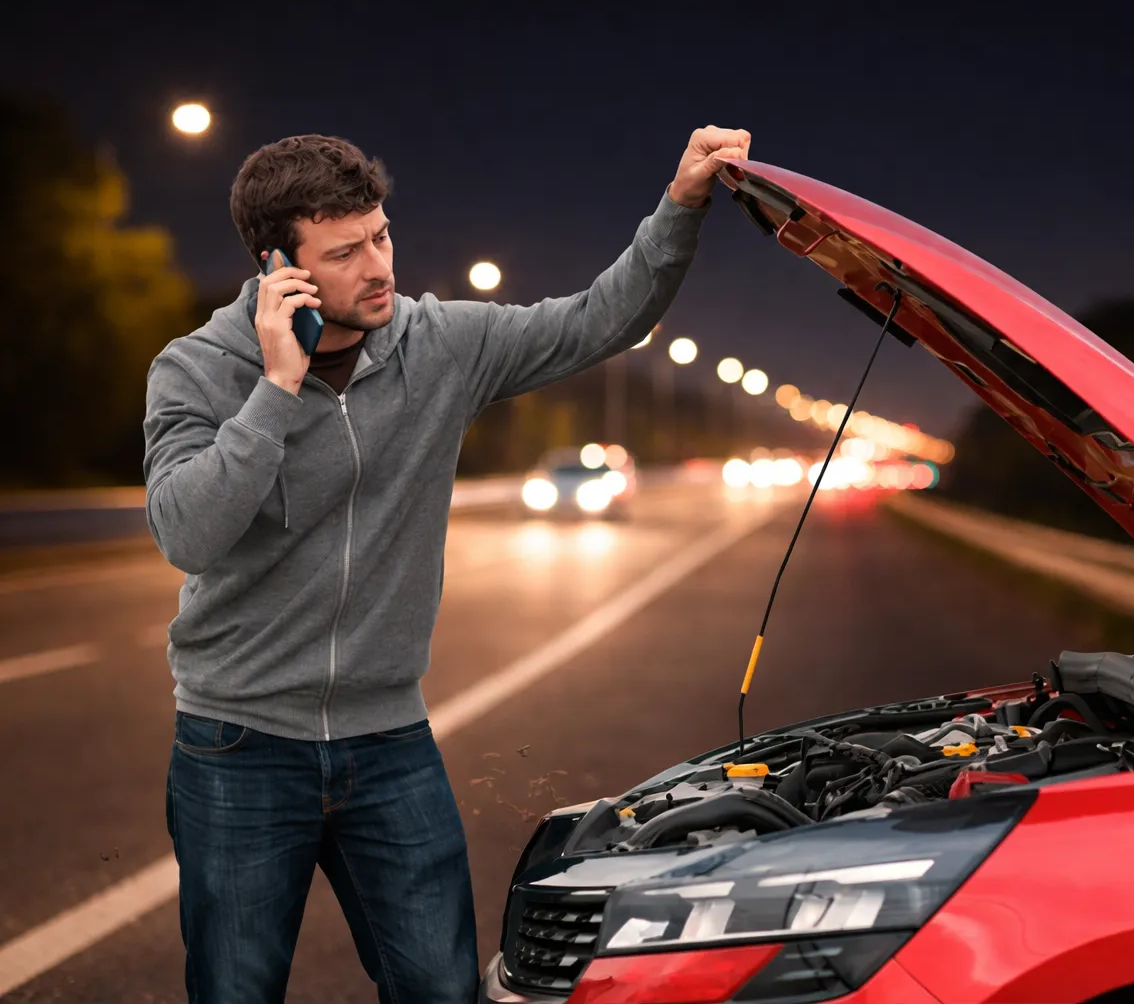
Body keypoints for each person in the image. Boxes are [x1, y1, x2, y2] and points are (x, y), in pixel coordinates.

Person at [142, 125, 750, 1003]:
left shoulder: (439, 345)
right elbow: (185, 535)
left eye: (381, 235)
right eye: (346, 252)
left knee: (440, 988)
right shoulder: (197, 370)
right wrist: (275, 389)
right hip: (236, 745)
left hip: (388, 743)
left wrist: (681, 204)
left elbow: (601, 318)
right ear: (281, 265)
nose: (380, 265)